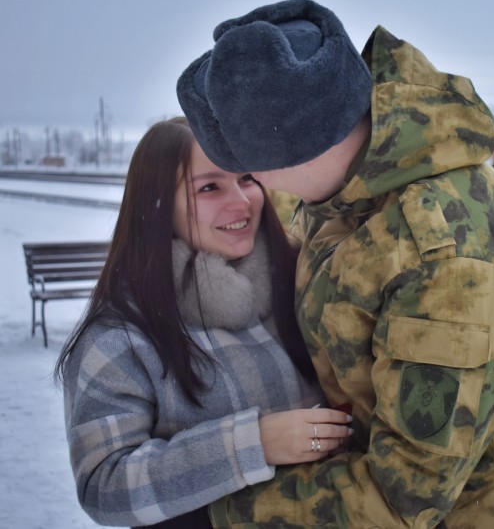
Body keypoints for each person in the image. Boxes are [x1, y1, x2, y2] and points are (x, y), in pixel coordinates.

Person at [177, 0, 494, 527]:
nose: (257, 189)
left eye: (252, 173)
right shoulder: (352, 190)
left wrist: (214, 516)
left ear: (298, 152)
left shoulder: (449, 261)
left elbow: (404, 496)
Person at [54, 117, 352, 527]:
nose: (243, 202)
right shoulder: (119, 336)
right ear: (155, 204)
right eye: (209, 187)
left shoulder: (301, 286)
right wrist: (254, 444)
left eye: (246, 178)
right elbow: (103, 487)